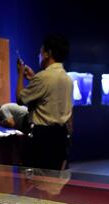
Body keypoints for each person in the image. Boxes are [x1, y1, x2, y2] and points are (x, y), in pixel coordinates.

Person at [16, 34, 73, 170]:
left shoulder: (43, 77)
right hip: (60, 136)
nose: (39, 55)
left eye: (41, 52)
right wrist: (33, 78)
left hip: (42, 137)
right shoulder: (67, 79)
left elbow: (19, 99)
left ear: (48, 53)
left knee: (39, 179)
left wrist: (20, 74)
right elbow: (49, 94)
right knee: (54, 178)